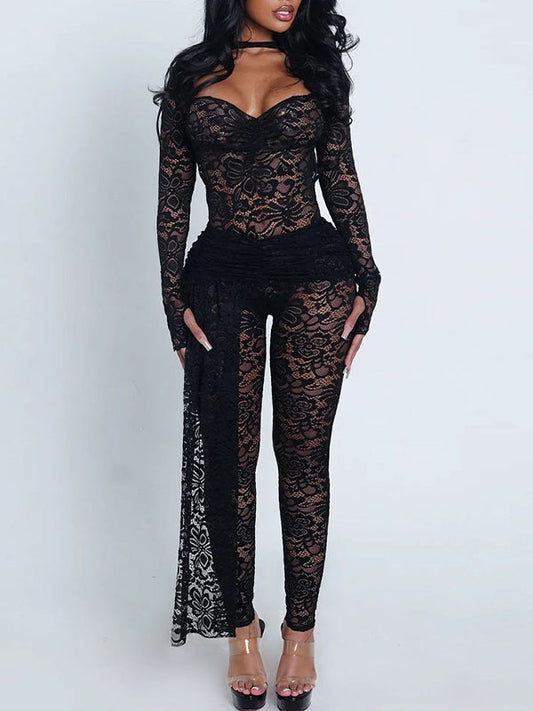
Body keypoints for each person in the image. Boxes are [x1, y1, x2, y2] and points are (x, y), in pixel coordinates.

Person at [152, 1, 381, 708]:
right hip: (221, 276)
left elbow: (340, 179)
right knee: (230, 459)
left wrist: (369, 281)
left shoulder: (316, 68)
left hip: (316, 273)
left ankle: (300, 631)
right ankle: (241, 631)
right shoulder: (192, 75)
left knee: (304, 457)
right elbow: (171, 197)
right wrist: (172, 301)